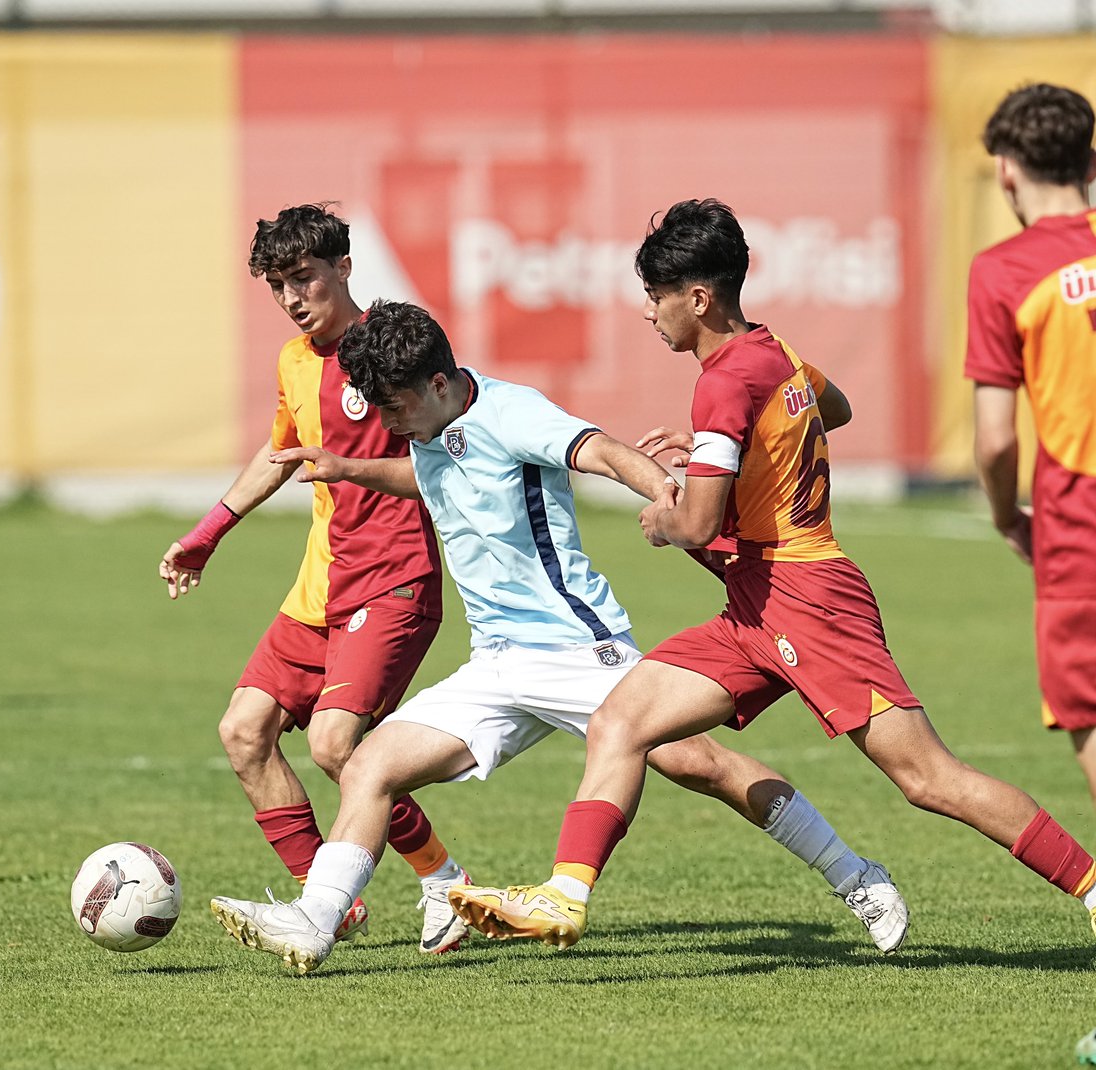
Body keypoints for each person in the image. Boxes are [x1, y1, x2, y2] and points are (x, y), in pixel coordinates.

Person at [449, 198, 1096, 951]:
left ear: (698, 297)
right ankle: (564, 896)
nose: (650, 314)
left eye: (657, 297)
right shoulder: (772, 352)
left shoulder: (723, 380)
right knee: (620, 723)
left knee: (928, 779)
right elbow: (836, 407)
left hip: (810, 599)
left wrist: (664, 518)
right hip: (756, 605)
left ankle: (1091, 885)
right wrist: (736, 443)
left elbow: (692, 523)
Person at [207, 298, 908, 975]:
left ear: (441, 383)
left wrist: (668, 492)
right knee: (367, 767)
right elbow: (435, 473)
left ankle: (857, 876)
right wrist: (351, 468)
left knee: (701, 766)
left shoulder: (514, 413)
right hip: (496, 666)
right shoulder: (428, 429)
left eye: (395, 407)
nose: (389, 423)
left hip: (575, 650)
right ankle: (315, 921)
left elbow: (601, 451)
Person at [158, 204, 470, 955]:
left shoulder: (391, 351)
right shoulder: (296, 362)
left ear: (345, 269)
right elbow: (280, 453)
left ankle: (445, 884)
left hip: (394, 580)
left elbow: (452, 459)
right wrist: (207, 535)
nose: (294, 298)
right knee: (244, 732)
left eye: (305, 278)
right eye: (278, 286)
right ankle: (324, 900)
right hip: (320, 588)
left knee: (335, 745)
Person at [965, 84, 1096, 809]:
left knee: (1089, 707)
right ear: (1092, 162)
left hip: (1080, 515)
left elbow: (993, 438)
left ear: (1007, 171)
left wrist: (1004, 514)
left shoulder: (1004, 270)